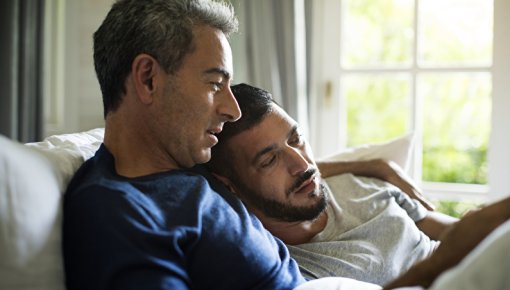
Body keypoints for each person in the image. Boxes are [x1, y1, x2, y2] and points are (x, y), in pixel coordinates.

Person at [62, 1, 308, 289]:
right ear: (148, 79)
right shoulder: (116, 213)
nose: (233, 110)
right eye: (216, 84)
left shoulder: (194, 160)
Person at [207, 83, 510, 289]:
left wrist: (372, 166)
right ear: (229, 186)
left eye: (296, 139)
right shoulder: (277, 262)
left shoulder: (358, 184)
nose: (303, 164)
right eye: (269, 160)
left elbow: (452, 232)